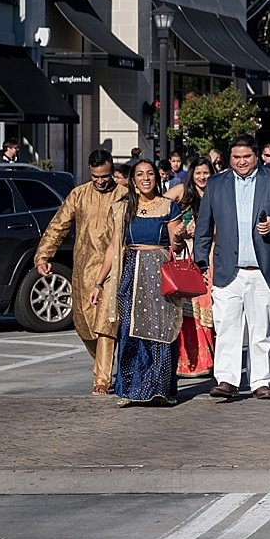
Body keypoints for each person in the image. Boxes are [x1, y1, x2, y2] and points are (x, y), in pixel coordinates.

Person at [194, 136, 270, 401]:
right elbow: (203, 227)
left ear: (256, 156)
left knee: (261, 331)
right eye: (236, 157)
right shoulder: (216, 184)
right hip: (227, 270)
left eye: (246, 157)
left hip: (263, 269)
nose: (241, 162)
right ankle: (227, 380)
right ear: (229, 158)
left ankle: (260, 381)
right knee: (226, 328)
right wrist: (201, 262)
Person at [34, 151, 128, 393]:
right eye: (96, 176)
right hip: (83, 269)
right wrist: (43, 255)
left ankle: (102, 381)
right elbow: (58, 226)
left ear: (112, 171)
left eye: (105, 176)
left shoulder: (124, 196)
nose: (100, 181)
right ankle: (102, 365)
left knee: (106, 325)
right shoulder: (79, 194)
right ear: (89, 172)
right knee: (84, 326)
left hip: (114, 269)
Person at [96, 160, 184, 406]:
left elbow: (176, 246)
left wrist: (178, 237)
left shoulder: (169, 206)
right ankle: (130, 389)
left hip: (160, 271)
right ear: (132, 180)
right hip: (131, 273)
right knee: (130, 330)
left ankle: (161, 389)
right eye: (140, 174)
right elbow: (114, 247)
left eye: (150, 174)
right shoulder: (123, 208)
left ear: (157, 177)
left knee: (162, 330)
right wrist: (99, 282)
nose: (146, 178)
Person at [165, 157, 216, 377]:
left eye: (206, 173)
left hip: (212, 252)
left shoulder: (218, 193)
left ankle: (209, 359)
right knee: (187, 307)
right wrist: (178, 228)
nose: (202, 177)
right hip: (185, 254)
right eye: (198, 173)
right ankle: (187, 362)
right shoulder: (180, 192)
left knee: (209, 304)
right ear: (191, 174)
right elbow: (159, 206)